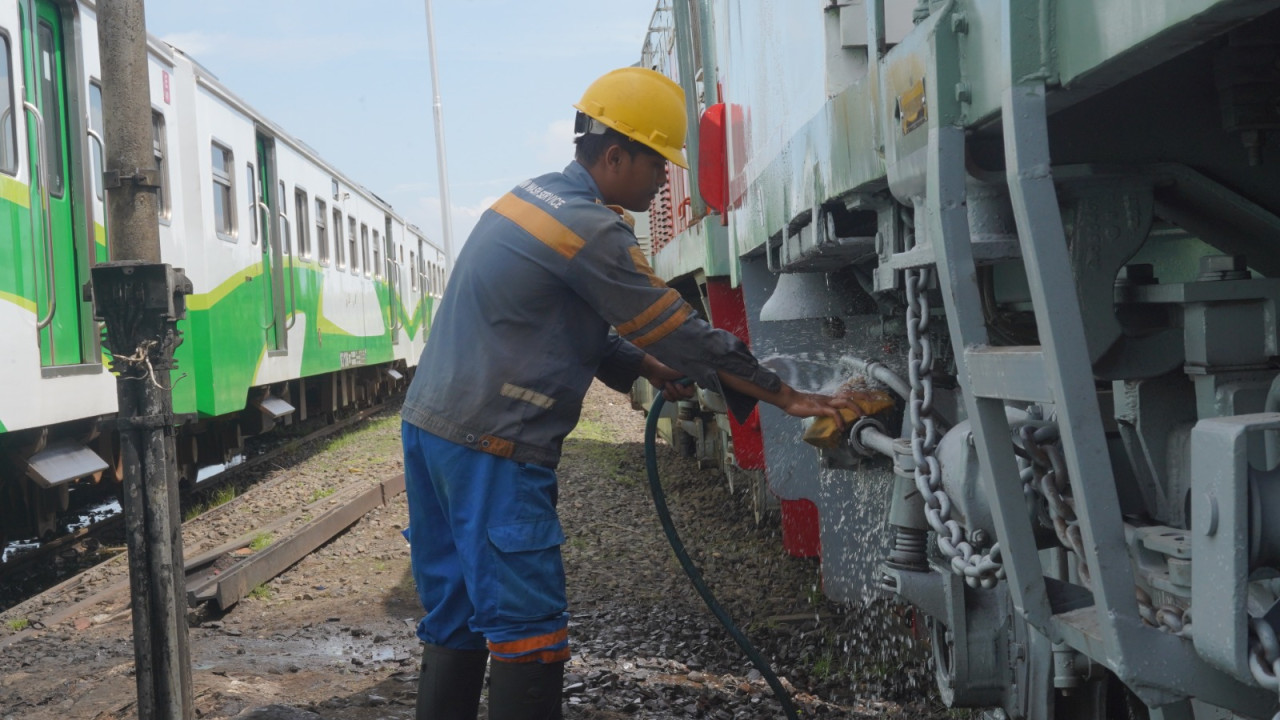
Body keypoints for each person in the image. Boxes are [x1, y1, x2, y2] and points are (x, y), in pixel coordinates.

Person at [401, 67, 856, 720]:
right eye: (657, 164)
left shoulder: (527, 200)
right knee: (528, 633)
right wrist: (788, 396)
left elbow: (551, 325)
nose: (664, 181)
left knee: (456, 618)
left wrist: (639, 362)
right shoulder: (590, 227)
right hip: (492, 444)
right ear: (615, 155)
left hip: (432, 429)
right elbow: (682, 331)